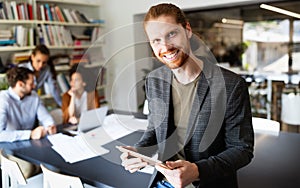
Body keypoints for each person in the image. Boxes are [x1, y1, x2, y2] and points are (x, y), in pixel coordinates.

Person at [120, 3, 254, 188]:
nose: (165, 46)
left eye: (171, 34)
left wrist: (198, 170)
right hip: (164, 182)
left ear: (187, 30)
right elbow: (154, 129)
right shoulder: (154, 80)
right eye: (156, 40)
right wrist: (139, 150)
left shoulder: (231, 85)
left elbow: (242, 149)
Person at [0, 67, 57, 142]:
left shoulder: (34, 96)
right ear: (20, 84)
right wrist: (30, 134)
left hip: (31, 143)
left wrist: (50, 125)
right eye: (31, 83)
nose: (34, 86)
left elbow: (45, 117)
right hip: (9, 145)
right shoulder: (3, 99)